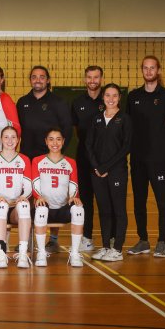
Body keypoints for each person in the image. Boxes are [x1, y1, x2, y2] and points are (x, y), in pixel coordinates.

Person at [126, 55, 165, 258]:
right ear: (142, 70)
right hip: (138, 159)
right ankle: (143, 240)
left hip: (158, 160)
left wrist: (160, 148)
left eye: (152, 68)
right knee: (139, 201)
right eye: (145, 68)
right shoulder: (133, 96)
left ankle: (162, 242)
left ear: (158, 70)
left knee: (163, 202)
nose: (148, 71)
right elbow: (129, 126)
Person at [17, 65, 72, 253]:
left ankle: (53, 239)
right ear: (30, 80)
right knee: (31, 197)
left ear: (48, 80)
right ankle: (29, 237)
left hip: (51, 158)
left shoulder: (58, 102)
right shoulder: (23, 102)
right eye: (34, 77)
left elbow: (67, 130)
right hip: (28, 156)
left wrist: (57, 152)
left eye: (42, 77)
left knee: (53, 196)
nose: (38, 80)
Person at [86, 84, 132, 262]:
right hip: (97, 172)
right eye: (107, 95)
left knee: (118, 210)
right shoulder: (96, 119)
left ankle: (117, 249)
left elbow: (125, 147)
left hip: (116, 171)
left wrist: (106, 167)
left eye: (114, 96)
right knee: (104, 210)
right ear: (103, 98)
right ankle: (106, 246)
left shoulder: (125, 119)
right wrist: (97, 167)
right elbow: (89, 144)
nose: (111, 99)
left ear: (119, 98)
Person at [31, 129, 84, 268]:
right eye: (51, 139)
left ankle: (75, 254)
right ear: (46, 142)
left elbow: (73, 184)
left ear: (63, 141)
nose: (55, 143)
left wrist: (74, 197)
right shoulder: (38, 161)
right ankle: (42, 253)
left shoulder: (70, 162)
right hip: (45, 208)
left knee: (79, 209)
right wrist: (38, 196)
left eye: (58, 139)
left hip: (62, 210)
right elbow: (35, 183)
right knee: (41, 209)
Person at [0, 126, 33, 268]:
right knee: (1, 206)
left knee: (24, 206)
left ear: (18, 140)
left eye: (13, 137)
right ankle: (1, 253)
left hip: (14, 208)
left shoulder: (24, 159)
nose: (10, 140)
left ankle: (23, 255)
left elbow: (29, 187)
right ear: (0, 139)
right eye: (6, 137)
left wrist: (24, 196)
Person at [71, 65, 105, 252]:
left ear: (101, 79)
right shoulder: (77, 102)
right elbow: (77, 130)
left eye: (96, 77)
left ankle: (110, 239)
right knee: (85, 200)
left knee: (104, 200)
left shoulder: (107, 100)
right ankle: (87, 237)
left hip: (103, 159)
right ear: (85, 79)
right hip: (83, 157)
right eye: (89, 77)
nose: (93, 80)